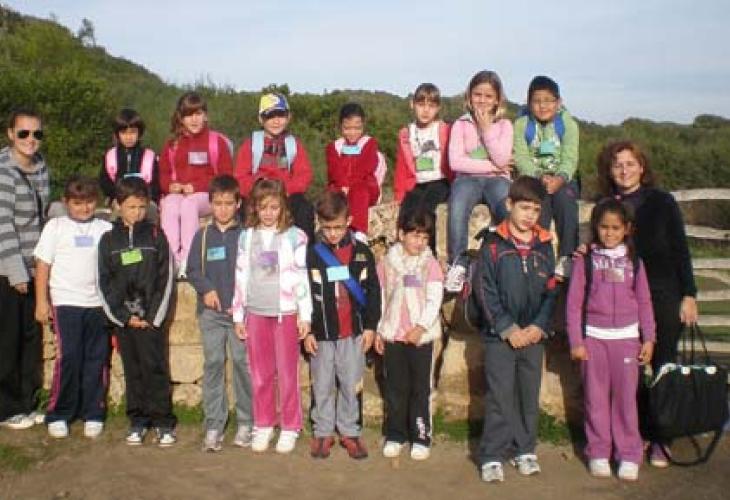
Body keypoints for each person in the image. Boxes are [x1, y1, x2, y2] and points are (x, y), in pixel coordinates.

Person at [595, 140, 698, 468]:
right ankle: (635, 433)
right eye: (617, 165)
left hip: (663, 293)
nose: (624, 170)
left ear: (642, 167)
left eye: (630, 164)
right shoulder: (605, 205)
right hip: (625, 299)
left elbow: (680, 248)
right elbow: (599, 245)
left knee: (664, 365)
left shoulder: (662, 201)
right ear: (610, 171)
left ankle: (662, 437)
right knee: (632, 370)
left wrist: (689, 294)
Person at [475, 176, 558, 483]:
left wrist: (538, 326)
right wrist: (507, 328)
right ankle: (492, 454)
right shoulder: (492, 244)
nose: (529, 216)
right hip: (500, 336)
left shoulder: (545, 245)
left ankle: (524, 449)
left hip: (533, 335)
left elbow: (551, 291)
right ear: (509, 204)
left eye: (536, 210)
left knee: (527, 394)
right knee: (500, 396)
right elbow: (485, 291)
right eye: (524, 208)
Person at [566, 198, 655, 481]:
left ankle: (628, 454)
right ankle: (599, 452)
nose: (609, 233)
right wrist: (576, 342)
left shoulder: (635, 262)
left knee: (626, 401)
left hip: (627, 340)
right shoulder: (585, 261)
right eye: (604, 227)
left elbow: (644, 302)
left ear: (626, 229)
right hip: (594, 340)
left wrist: (649, 339)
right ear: (596, 227)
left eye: (616, 228)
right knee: (595, 399)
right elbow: (573, 305)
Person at [231, 178, 312, 454]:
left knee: (287, 374)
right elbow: (241, 276)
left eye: (274, 207)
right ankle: (264, 423)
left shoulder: (295, 236)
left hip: (285, 314)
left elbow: (301, 277)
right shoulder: (247, 236)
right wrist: (239, 316)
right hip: (256, 312)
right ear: (255, 207)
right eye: (263, 207)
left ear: (282, 207)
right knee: (261, 374)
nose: (268, 213)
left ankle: (290, 426)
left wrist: (304, 315)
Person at [97, 177, 177, 447]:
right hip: (125, 321)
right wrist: (122, 317)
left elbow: (166, 278)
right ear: (118, 206)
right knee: (133, 370)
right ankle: (138, 421)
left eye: (142, 207)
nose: (137, 213)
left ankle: (163, 422)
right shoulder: (108, 240)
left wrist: (153, 317)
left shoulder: (156, 236)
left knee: (155, 368)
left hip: (150, 320)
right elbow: (104, 282)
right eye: (131, 207)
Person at [33, 176, 112, 439]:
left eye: (89, 202)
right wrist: (41, 301)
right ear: (66, 202)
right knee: (69, 357)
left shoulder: (104, 228)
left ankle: (93, 412)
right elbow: (43, 265)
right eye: (77, 203)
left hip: (97, 304)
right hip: (66, 302)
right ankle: (59, 413)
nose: (84, 208)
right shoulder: (56, 227)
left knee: (96, 359)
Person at [304, 191, 381, 459]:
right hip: (322, 332)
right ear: (319, 224)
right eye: (327, 228)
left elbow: (374, 291)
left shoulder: (363, 254)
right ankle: (323, 431)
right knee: (322, 383)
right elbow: (303, 292)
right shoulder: (312, 254)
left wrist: (370, 326)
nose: (333, 233)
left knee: (351, 383)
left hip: (353, 331)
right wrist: (307, 330)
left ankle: (350, 430)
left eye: (338, 227)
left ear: (349, 221)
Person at [186, 174, 253, 452]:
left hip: (240, 315)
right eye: (217, 203)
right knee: (213, 363)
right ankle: (214, 424)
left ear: (238, 204)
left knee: (241, 364)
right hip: (211, 314)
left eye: (228, 203)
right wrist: (207, 289)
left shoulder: (247, 235)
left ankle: (247, 422)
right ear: (210, 204)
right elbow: (192, 270)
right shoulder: (202, 236)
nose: (223, 209)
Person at [375, 210, 444, 461]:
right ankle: (396, 434)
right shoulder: (387, 264)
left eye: (425, 238)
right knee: (396, 387)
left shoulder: (430, 265)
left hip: (420, 339)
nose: (420, 242)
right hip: (394, 335)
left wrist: (421, 328)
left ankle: (421, 435)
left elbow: (434, 300)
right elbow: (381, 298)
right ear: (401, 234)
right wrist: (380, 330)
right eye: (415, 236)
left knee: (420, 389)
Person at [0, 108, 50, 430]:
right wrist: (16, 272)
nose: (30, 139)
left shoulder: (41, 167)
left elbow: (42, 217)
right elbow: (2, 225)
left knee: (31, 339)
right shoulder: (4, 172)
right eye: (24, 133)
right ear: (10, 134)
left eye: (36, 133)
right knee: (8, 340)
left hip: (35, 267)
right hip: (8, 270)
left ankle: (27, 403)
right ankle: (6, 408)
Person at [445, 70, 513, 293]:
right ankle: (458, 263)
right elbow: (456, 162)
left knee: (505, 207)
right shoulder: (461, 124)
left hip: (497, 180)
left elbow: (503, 158)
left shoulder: (504, 125)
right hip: (468, 179)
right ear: (469, 96)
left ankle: (507, 258)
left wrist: (485, 130)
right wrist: (492, 167)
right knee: (457, 205)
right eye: (477, 95)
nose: (482, 100)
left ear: (497, 100)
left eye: (488, 96)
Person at [159, 92, 233, 278]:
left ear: (205, 115)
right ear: (181, 118)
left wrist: (198, 186)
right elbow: (163, 174)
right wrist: (170, 186)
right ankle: (172, 259)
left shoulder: (217, 142)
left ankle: (189, 259)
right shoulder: (172, 144)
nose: (194, 119)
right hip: (179, 194)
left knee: (189, 204)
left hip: (208, 195)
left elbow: (225, 176)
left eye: (198, 114)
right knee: (169, 204)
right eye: (188, 115)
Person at [513, 75, 579, 278]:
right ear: (528, 102)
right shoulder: (522, 124)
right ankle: (539, 256)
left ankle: (567, 256)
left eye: (549, 101)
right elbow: (521, 157)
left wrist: (560, 178)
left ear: (558, 102)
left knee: (566, 202)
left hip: (563, 178)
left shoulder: (567, 124)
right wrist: (538, 177)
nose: (543, 106)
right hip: (533, 178)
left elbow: (570, 157)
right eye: (537, 101)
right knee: (538, 207)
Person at [235, 93, 315, 241]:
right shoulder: (251, 144)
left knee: (304, 208)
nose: (276, 121)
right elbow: (240, 176)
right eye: (270, 116)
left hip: (286, 195)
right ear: (261, 119)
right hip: (257, 195)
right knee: (242, 210)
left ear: (288, 117)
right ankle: (245, 247)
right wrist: (258, 188)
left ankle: (306, 250)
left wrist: (285, 190)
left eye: (281, 115)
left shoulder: (293, 144)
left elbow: (304, 174)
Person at [394, 83, 452, 255]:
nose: (426, 110)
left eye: (431, 106)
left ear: (438, 108)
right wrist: (399, 194)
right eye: (421, 105)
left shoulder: (444, 129)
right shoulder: (406, 133)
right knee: (407, 210)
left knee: (427, 209)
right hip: (417, 181)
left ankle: (429, 252)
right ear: (412, 104)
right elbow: (402, 166)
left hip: (440, 180)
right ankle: (404, 251)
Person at [325, 102, 382, 238]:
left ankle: (358, 231)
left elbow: (366, 167)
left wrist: (350, 185)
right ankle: (332, 229)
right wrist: (343, 185)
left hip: (364, 186)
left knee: (359, 191)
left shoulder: (369, 143)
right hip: (341, 186)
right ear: (340, 126)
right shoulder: (334, 147)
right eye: (347, 128)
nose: (352, 133)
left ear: (363, 125)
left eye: (357, 128)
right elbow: (334, 170)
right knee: (330, 193)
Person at [99, 108, 160, 222]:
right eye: (124, 133)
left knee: (150, 210)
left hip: (144, 199)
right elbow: (105, 182)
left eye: (132, 132)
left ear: (139, 133)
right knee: (117, 213)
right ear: (117, 134)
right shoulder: (110, 156)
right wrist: (117, 196)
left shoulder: (149, 156)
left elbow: (155, 184)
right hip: (118, 199)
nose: (128, 137)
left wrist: (144, 198)